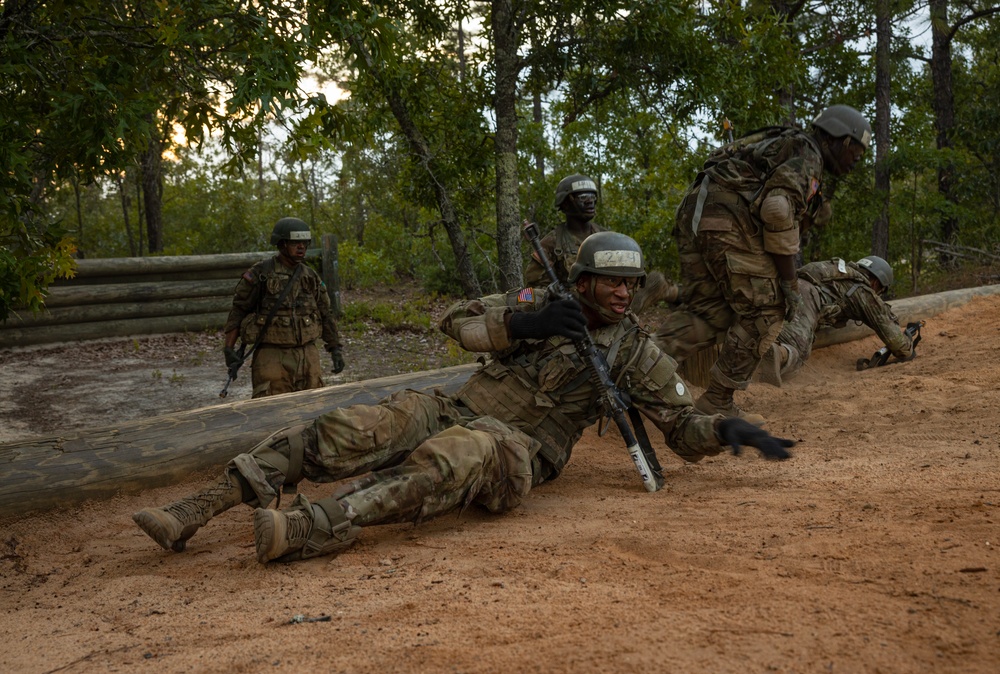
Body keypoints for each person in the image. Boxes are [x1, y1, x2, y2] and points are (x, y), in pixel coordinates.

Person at [134, 232, 794, 564]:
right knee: (348, 427)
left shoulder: (635, 350)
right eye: (609, 283)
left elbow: (680, 427)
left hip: (521, 452)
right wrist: (527, 323)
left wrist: (728, 431)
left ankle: (312, 527)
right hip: (457, 402)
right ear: (584, 281)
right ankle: (202, 506)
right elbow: (455, 320)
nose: (623, 293)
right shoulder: (545, 304)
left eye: (632, 284)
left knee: (459, 456)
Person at [655, 104, 872, 419]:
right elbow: (777, 210)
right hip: (724, 219)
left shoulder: (788, 145)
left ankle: (631, 369)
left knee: (710, 311)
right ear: (841, 139)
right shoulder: (809, 155)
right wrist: (789, 283)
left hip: (696, 212)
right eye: (858, 151)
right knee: (767, 308)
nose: (857, 160)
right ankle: (717, 401)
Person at [222, 217, 345, 398]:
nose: (301, 247)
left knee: (313, 408)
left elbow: (325, 314)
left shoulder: (310, 276)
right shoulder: (261, 273)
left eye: (304, 242)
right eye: (295, 242)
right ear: (282, 244)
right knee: (271, 409)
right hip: (272, 356)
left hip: (307, 355)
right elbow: (239, 309)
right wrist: (229, 349)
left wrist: (335, 349)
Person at [525, 173, 680, 314]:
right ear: (565, 203)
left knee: (655, 280)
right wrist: (557, 300)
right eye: (583, 197)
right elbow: (531, 292)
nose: (589, 201)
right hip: (576, 312)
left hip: (612, 305)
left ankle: (676, 294)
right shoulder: (552, 243)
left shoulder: (607, 238)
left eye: (593, 196)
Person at [758, 255, 913, 385]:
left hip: (780, 289)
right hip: (804, 297)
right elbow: (899, 345)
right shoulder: (863, 291)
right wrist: (908, 341)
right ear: (876, 283)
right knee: (797, 348)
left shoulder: (840, 273)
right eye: (880, 291)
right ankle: (777, 356)